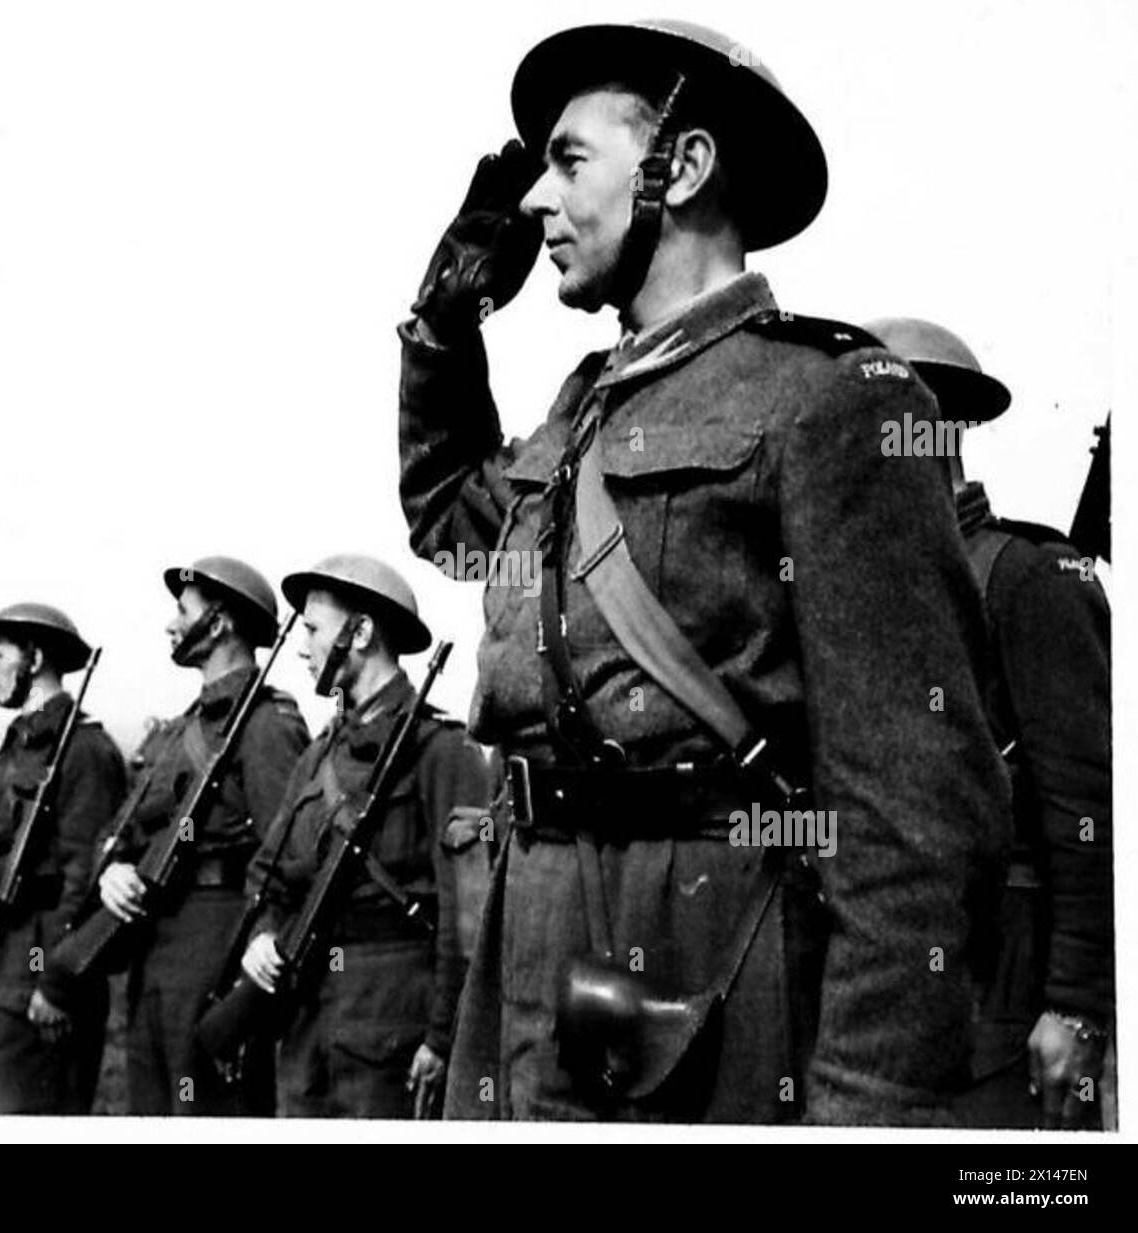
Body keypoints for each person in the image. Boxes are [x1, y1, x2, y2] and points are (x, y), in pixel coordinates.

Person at [397, 19, 1011, 1124]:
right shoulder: (579, 408)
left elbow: (919, 811)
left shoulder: (834, 400)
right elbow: (451, 520)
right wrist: (445, 324)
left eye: (569, 159)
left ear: (679, 170)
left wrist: (866, 1105)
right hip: (530, 923)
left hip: (712, 940)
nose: (535, 200)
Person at [867, 317, 1114, 1130]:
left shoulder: (1028, 580)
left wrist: (1076, 1007)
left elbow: (1087, 810)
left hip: (1006, 1015)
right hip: (877, 1008)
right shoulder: (853, 599)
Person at [239, 555, 490, 1118]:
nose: (302, 647)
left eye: (312, 629)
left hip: (394, 1024)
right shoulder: (316, 756)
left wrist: (444, 1038)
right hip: (307, 1022)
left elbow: (468, 911)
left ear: (361, 631)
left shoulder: (443, 750)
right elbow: (266, 873)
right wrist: (262, 934)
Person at [87, 556, 308, 1115]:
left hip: (219, 945)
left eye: (182, 611)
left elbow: (289, 856)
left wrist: (256, 957)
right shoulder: (179, 729)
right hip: (154, 947)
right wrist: (110, 870)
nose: (169, 625)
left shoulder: (266, 725)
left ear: (221, 622)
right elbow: (122, 827)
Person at [0, 602, 125, 1113]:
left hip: (36, 993)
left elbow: (84, 884)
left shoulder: (86, 751)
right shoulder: (17, 745)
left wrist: (57, 984)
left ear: (36, 657)